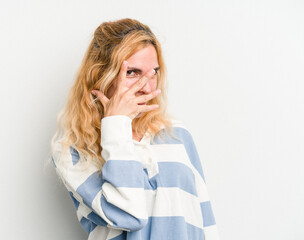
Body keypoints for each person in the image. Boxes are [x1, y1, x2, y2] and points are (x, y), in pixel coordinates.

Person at [50, 18, 219, 240]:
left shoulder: (177, 135)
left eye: (153, 73)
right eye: (132, 73)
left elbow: (205, 222)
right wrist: (116, 124)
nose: (147, 87)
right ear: (101, 75)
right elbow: (129, 216)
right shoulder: (72, 151)